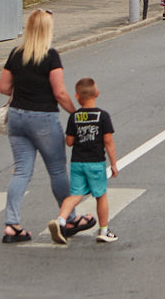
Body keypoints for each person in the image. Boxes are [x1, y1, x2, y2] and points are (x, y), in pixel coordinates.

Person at [0, 10, 93, 243]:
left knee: (21, 171)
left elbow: (3, 87)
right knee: (57, 170)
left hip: (17, 117)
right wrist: (77, 113)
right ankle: (70, 219)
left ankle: (12, 224)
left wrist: (24, 86)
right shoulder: (50, 56)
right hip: (43, 118)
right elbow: (59, 93)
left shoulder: (16, 54)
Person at [48, 77, 120, 245]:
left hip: (77, 163)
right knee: (101, 195)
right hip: (96, 163)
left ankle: (61, 221)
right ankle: (104, 230)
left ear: (77, 97)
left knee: (75, 195)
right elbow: (108, 141)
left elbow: (69, 141)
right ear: (97, 93)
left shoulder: (74, 117)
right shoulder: (103, 116)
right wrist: (114, 164)